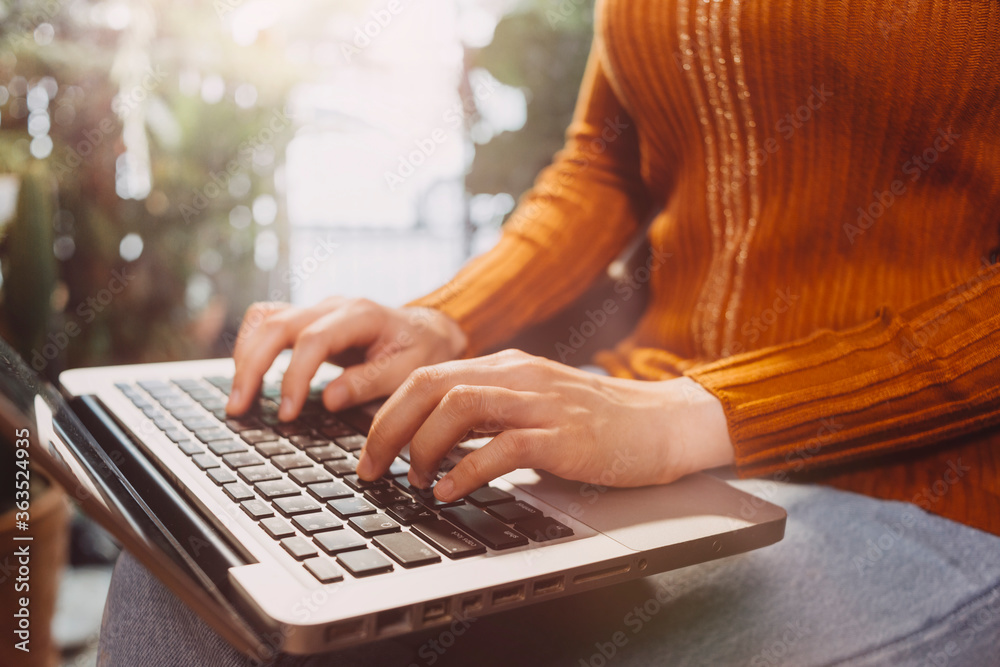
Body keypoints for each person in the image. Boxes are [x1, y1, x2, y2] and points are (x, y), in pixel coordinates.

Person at [99, 0, 1000, 664]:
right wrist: (445, 319)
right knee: (197, 559)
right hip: (635, 439)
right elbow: (604, 159)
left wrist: (692, 414)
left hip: (904, 483)